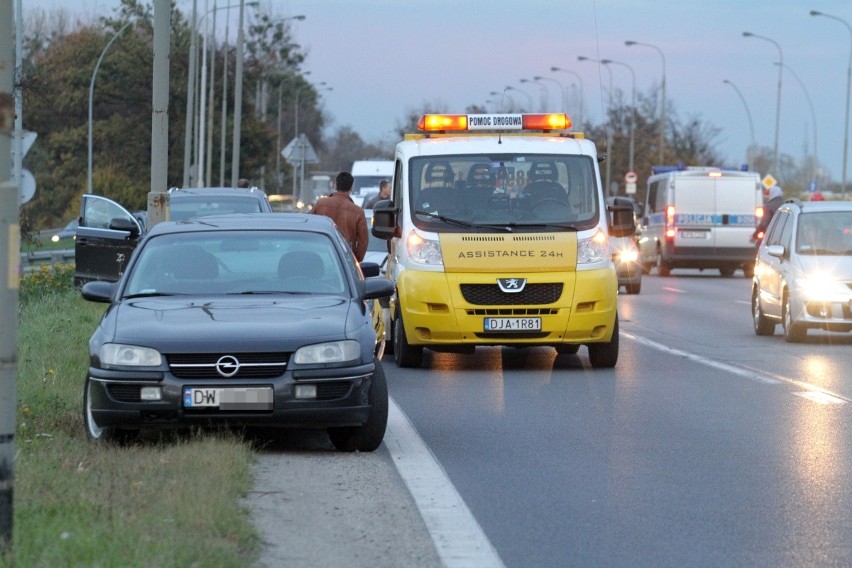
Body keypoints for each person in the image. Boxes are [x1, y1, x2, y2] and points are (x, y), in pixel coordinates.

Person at [312, 171, 369, 261]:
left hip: (320, 255)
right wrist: (355, 260)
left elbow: (310, 225)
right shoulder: (358, 211)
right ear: (351, 188)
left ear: (335, 185)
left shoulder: (320, 203)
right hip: (344, 259)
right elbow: (363, 242)